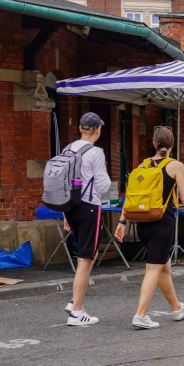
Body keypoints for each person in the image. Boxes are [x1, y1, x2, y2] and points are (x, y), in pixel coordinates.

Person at [115, 126, 184, 329]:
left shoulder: (142, 165)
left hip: (142, 222)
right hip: (163, 222)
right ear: (172, 144)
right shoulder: (175, 166)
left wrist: (122, 221)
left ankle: (177, 307)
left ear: (154, 144)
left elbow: (130, 198)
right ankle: (141, 314)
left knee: (164, 266)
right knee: (153, 267)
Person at [62, 112, 111, 326]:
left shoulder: (67, 149)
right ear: (98, 130)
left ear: (80, 128)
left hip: (70, 206)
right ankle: (76, 312)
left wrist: (65, 214)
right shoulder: (95, 153)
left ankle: (75, 301)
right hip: (89, 206)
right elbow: (103, 186)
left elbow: (63, 184)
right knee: (85, 259)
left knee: (87, 254)